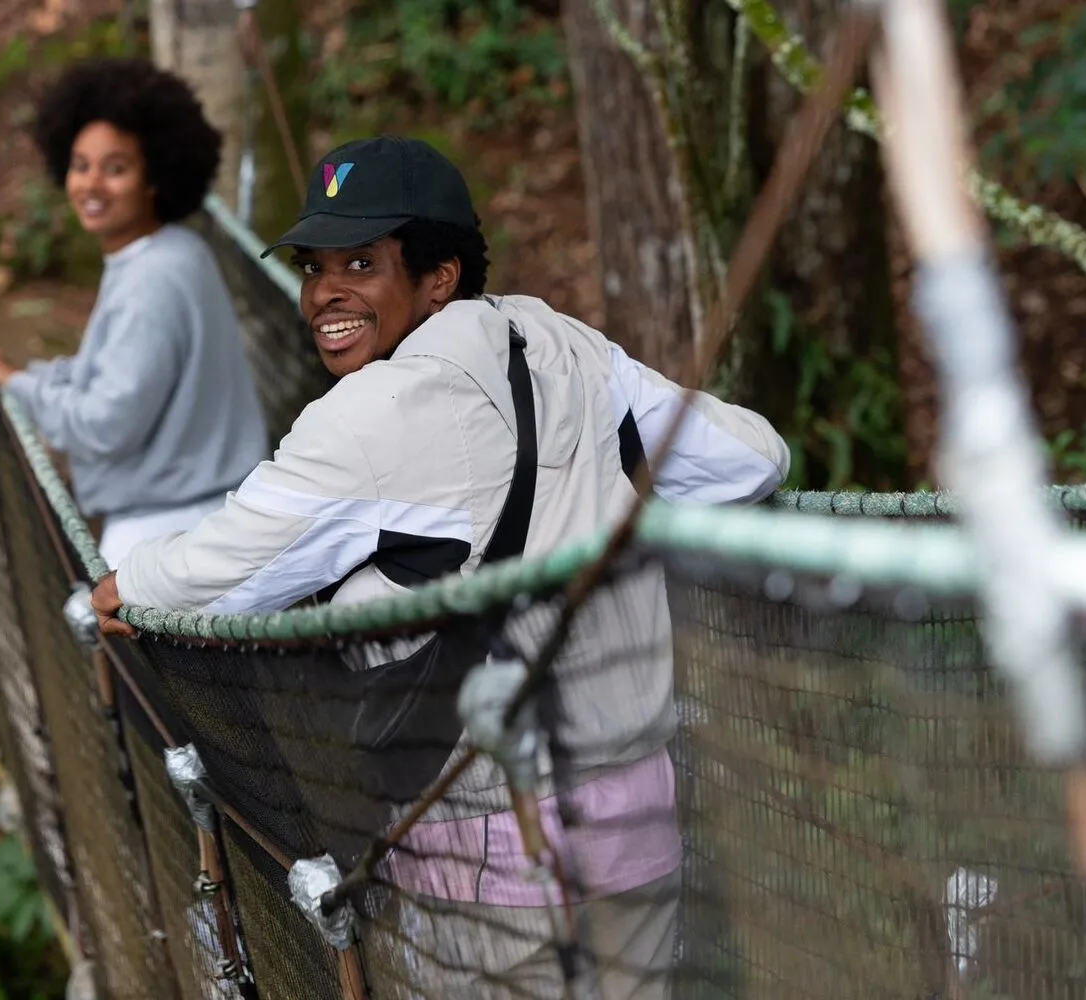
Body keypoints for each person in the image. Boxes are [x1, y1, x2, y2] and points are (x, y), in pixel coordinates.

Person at [90, 135, 791, 998]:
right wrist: (616, 466)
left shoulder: (370, 416)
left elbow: (227, 573)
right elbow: (752, 461)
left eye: (361, 262)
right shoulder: (563, 346)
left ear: (439, 276)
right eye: (314, 268)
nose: (324, 296)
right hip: (636, 821)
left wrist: (124, 586)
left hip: (490, 857)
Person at [0, 56, 269, 569]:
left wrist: (16, 385)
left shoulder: (153, 278)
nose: (92, 185)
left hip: (171, 539)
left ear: (155, 177)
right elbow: (110, 372)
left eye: (116, 168)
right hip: (213, 512)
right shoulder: (169, 252)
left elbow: (106, 425)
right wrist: (27, 375)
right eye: (81, 166)